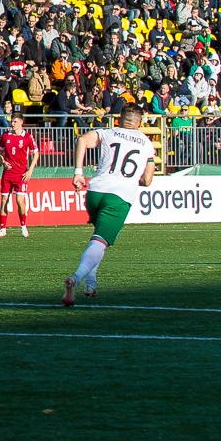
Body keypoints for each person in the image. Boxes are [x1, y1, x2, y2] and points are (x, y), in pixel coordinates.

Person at [64, 104, 157, 307]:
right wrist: (133, 180)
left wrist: (78, 172)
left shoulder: (108, 132)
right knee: (100, 241)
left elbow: (82, 140)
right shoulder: (147, 143)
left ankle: (91, 283)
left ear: (120, 119)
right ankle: (76, 278)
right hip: (119, 196)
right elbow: (147, 180)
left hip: (95, 192)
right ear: (139, 122)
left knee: (97, 239)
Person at [0, 112, 38, 239]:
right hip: (7, 174)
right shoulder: (5, 136)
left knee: (20, 201)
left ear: (21, 122)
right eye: (11, 121)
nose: (12, 124)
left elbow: (36, 153)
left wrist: (30, 170)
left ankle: (23, 226)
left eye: (15, 121)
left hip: (21, 175)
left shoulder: (27, 137)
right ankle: (3, 229)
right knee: (4, 200)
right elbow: (0, 151)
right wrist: (3, 162)